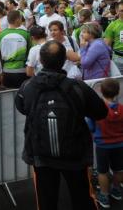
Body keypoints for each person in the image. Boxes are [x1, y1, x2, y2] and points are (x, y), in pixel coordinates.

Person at [15, 40, 108, 210]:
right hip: (74, 154)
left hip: (41, 154)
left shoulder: (27, 87)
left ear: (41, 61)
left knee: (46, 201)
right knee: (81, 198)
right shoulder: (78, 87)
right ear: (64, 60)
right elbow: (101, 112)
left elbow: (22, 108)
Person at [86, 78, 123, 208]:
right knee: (118, 169)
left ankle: (104, 195)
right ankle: (117, 190)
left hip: (103, 146)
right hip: (120, 145)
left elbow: (90, 127)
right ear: (117, 92)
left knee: (103, 172)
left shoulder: (98, 110)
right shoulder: (122, 109)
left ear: (101, 91)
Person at [0, 10, 31, 88]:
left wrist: (1, 69)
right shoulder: (26, 34)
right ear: (17, 20)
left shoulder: (0, 34)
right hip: (22, 70)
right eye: (21, 18)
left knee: (8, 95)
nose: (22, 20)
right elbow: (30, 52)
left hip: (6, 70)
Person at [104, 0, 123, 73]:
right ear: (117, 11)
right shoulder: (112, 25)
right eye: (122, 10)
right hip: (118, 58)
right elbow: (107, 44)